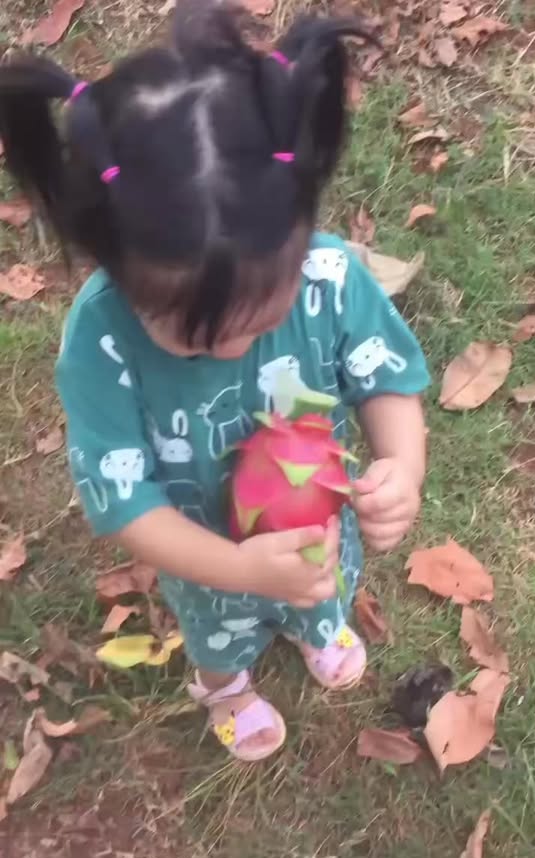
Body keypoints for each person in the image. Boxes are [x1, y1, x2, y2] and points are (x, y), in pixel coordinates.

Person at [0, 2, 429, 762]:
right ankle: (224, 684)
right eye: (196, 335)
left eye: (264, 317)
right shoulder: (102, 341)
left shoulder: (328, 275)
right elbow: (125, 503)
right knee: (219, 632)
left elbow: (385, 377)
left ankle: (315, 627)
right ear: (116, 270)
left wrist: (402, 465)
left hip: (317, 527)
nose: (235, 346)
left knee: (320, 585)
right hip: (207, 561)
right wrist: (237, 569)